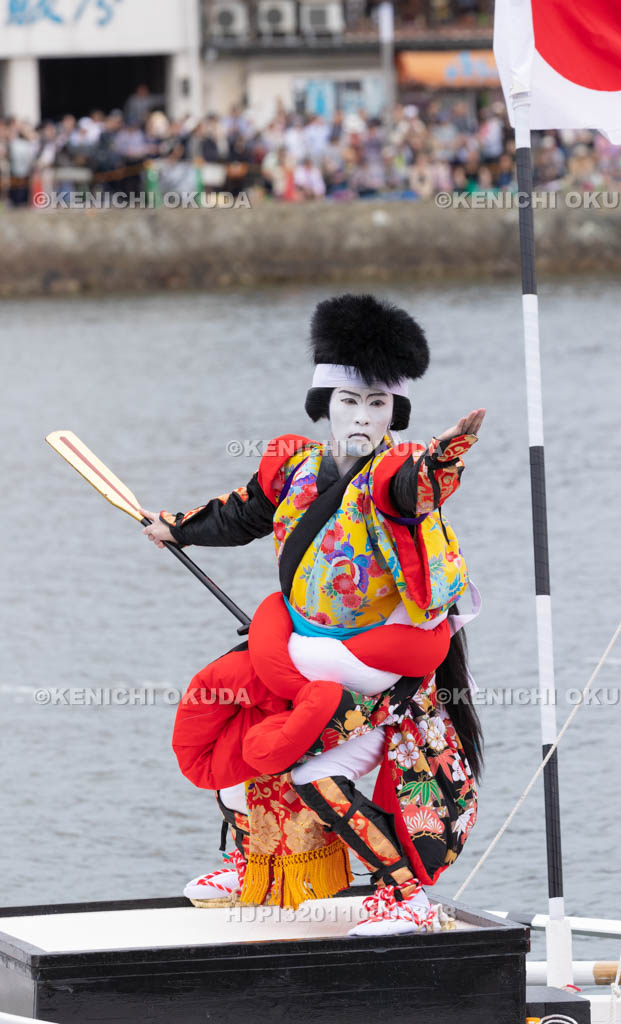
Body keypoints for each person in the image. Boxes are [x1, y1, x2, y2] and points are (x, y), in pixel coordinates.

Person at [142, 294, 485, 936]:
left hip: (369, 674)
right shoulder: (293, 466)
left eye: (378, 404)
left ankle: (402, 894)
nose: (363, 417)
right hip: (294, 648)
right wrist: (176, 529)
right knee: (230, 734)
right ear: (325, 405)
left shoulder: (395, 474)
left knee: (310, 769)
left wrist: (441, 460)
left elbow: (420, 489)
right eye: (351, 402)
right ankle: (248, 864)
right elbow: (241, 514)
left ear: (395, 412)